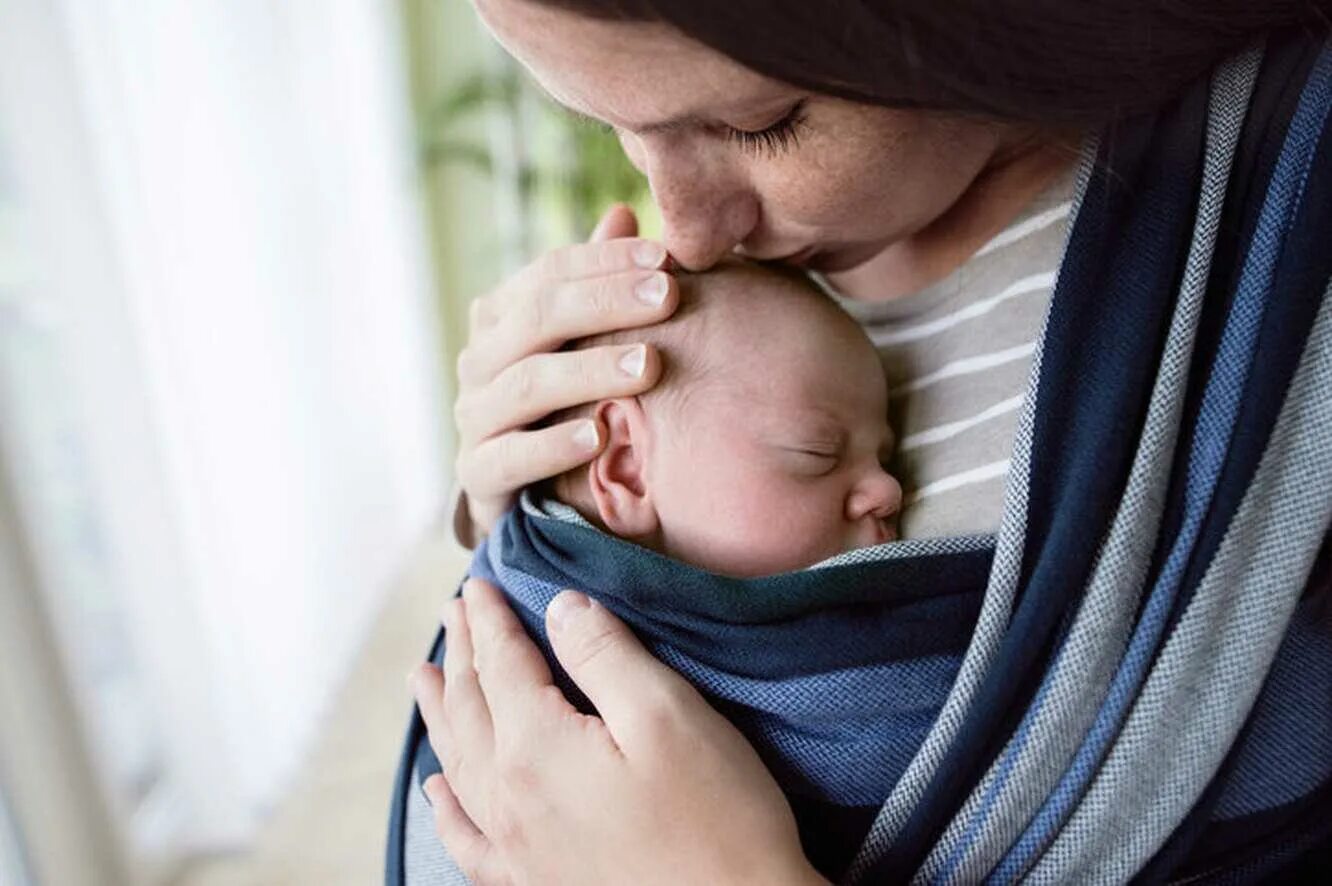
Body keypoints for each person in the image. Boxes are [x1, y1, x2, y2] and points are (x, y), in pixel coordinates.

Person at [390, 2, 1332, 883]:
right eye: (609, 126)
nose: (687, 227)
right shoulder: (703, 312)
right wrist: (519, 497)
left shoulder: (1281, 235)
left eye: (760, 124)